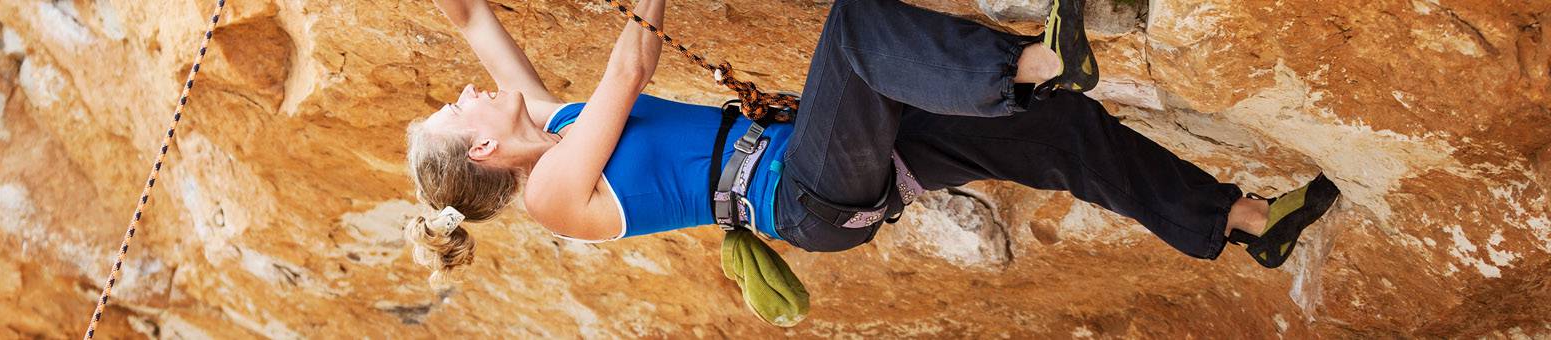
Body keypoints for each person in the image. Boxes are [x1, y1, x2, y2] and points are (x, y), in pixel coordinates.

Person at [407, 0, 1340, 269]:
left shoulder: (550, 130)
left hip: (822, 155)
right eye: (458, 111)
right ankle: (1044, 59)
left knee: (1060, 138)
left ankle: (1244, 221)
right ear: (482, 154)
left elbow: (470, 22)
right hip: (806, 196)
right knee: (856, 31)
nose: (467, 94)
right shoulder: (552, 193)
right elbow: (628, 72)